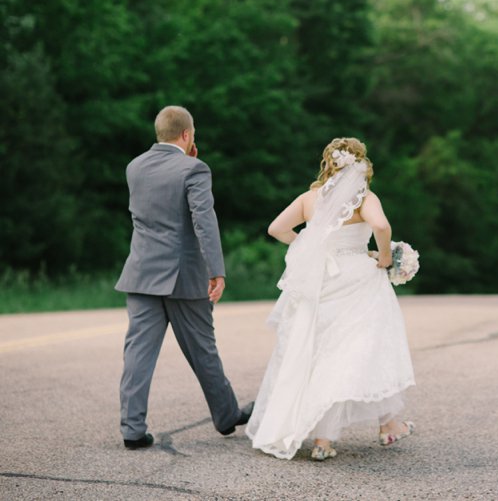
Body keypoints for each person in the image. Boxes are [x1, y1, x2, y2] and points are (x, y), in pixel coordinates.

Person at [246, 137, 416, 461]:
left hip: (319, 282)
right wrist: (383, 258)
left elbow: (276, 228)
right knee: (363, 351)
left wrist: (306, 247)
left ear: (329, 163)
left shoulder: (309, 199)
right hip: (357, 277)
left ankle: (337, 437)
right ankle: (374, 427)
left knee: (318, 356)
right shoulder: (364, 198)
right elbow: (381, 224)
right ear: (361, 165)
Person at [115, 105, 252, 449]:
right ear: (188, 135)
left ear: (159, 132)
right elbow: (203, 220)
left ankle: (132, 430)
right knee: (203, 350)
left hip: (141, 274)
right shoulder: (194, 168)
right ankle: (226, 416)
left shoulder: (134, 167)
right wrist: (216, 271)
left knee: (137, 353)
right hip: (183, 277)